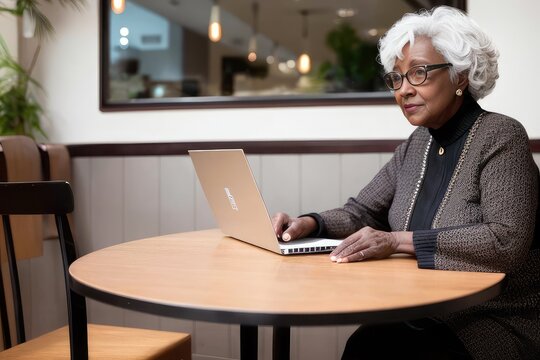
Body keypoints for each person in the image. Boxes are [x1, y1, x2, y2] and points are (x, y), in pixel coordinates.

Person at [272, 6, 540, 360]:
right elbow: (362, 211)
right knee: (366, 345)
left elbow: (506, 241)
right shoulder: (417, 145)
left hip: (495, 316)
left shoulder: (501, 136)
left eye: (419, 73)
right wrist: (309, 223)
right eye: (396, 79)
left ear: (460, 76)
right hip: (422, 309)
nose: (404, 90)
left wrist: (395, 240)